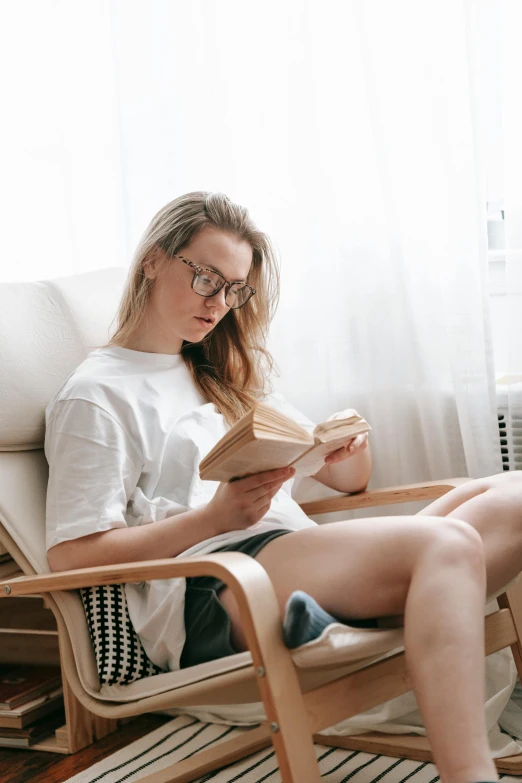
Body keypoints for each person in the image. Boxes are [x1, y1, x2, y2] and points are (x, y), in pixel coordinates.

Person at [44, 191, 522, 783]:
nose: (219, 302)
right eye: (205, 278)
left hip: (283, 553)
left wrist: (344, 451)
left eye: (234, 288)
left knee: (515, 495)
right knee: (447, 547)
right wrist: (214, 519)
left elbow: (350, 482)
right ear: (152, 260)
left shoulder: (220, 373)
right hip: (212, 586)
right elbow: (69, 556)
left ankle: (345, 605)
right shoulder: (97, 394)